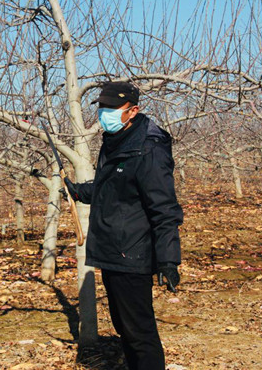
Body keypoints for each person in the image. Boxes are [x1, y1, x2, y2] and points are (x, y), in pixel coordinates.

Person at [64, 81, 183, 370]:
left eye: (111, 108)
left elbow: (164, 209)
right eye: (102, 107)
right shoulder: (114, 140)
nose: (105, 113)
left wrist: (168, 260)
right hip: (112, 251)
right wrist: (81, 191)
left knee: (140, 333)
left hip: (132, 253)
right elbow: (114, 187)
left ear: (133, 111)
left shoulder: (148, 149)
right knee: (125, 329)